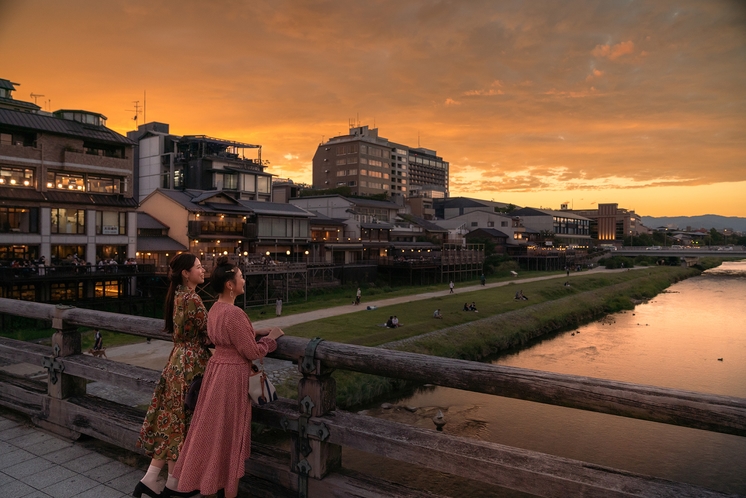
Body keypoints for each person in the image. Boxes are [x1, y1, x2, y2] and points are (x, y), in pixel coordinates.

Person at [172, 256, 283, 498]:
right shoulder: (235, 313)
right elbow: (251, 351)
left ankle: (209, 482)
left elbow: (224, 336)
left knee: (213, 430)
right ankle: (226, 489)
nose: (244, 280)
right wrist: (269, 340)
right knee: (228, 433)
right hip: (232, 376)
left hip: (216, 370)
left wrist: (253, 331)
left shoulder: (215, 308)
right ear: (230, 285)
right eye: (241, 277)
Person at [134, 253, 212, 498]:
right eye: (198, 267)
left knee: (173, 421)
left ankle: (157, 481)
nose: (203, 269)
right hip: (191, 365)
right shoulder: (193, 299)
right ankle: (172, 484)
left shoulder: (176, 296)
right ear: (185, 273)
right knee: (183, 422)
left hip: (176, 361)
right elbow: (213, 333)